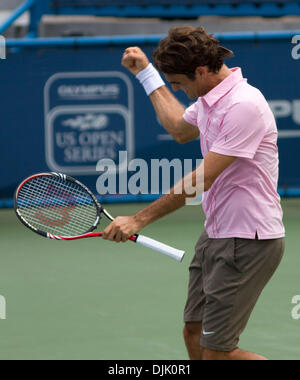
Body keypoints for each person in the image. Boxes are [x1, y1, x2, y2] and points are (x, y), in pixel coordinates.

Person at [102, 26, 285, 360]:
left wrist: (138, 220)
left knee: (217, 354)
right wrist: (145, 73)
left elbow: (202, 180)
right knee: (194, 334)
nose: (176, 88)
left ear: (201, 71)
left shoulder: (244, 106)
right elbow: (178, 127)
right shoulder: (211, 98)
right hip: (216, 234)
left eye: (179, 83)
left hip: (247, 241)